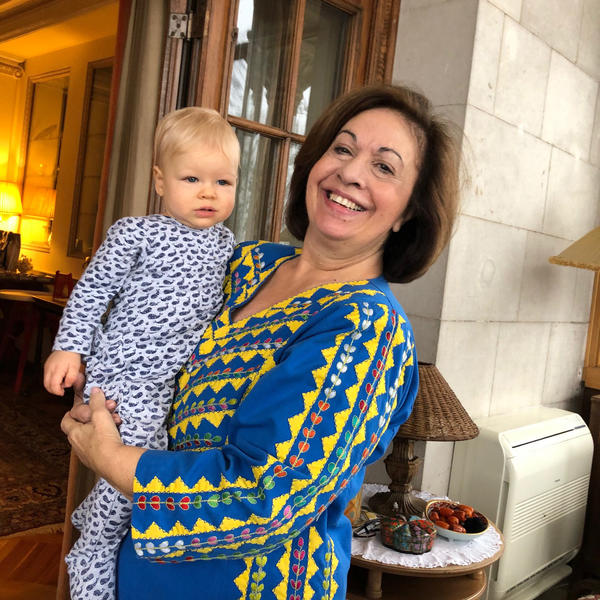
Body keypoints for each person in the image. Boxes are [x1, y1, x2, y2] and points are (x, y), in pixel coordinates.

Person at [61, 84, 460, 599]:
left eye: (384, 167)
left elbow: (266, 500)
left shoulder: (366, 327)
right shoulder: (245, 263)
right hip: (138, 569)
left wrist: (107, 455)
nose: (351, 172)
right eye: (342, 148)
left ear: (408, 211)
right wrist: (100, 387)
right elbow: (144, 327)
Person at [45, 107, 239, 599]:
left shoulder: (226, 245)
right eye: (192, 179)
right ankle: (91, 553)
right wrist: (69, 348)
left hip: (169, 385)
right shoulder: (137, 232)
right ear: (160, 180)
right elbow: (92, 291)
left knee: (149, 473)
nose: (208, 192)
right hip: (125, 376)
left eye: (223, 182)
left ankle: (95, 520)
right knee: (131, 480)